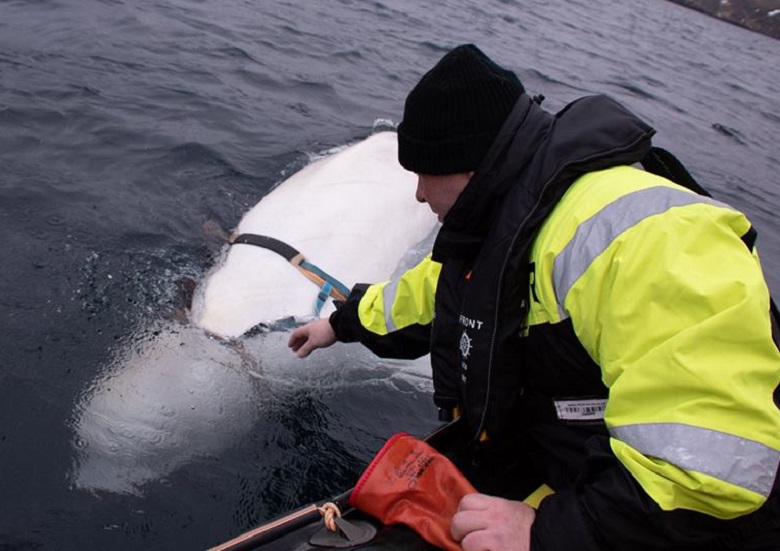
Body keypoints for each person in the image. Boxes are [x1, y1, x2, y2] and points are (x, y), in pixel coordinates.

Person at [288, 44, 780, 551]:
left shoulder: (652, 240)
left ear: (468, 167)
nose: (417, 195)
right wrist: (341, 324)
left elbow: (710, 473)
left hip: (664, 522)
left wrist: (545, 533)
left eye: (423, 174)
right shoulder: (514, 218)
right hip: (577, 474)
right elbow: (437, 296)